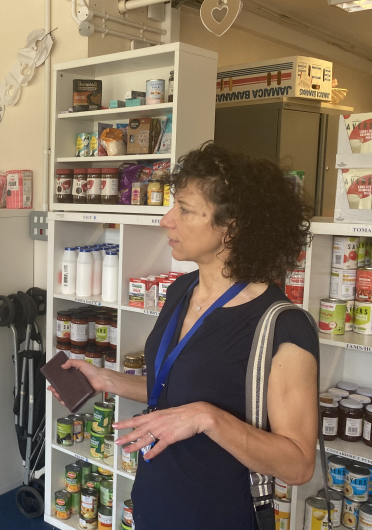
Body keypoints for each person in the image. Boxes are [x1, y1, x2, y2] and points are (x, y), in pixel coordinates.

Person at [49, 142, 318, 529]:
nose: (166, 220)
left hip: (218, 515)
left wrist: (208, 419)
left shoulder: (280, 326)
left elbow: (298, 465)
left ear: (233, 227)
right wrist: (108, 379)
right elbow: (178, 387)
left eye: (185, 210)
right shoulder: (181, 291)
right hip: (155, 500)